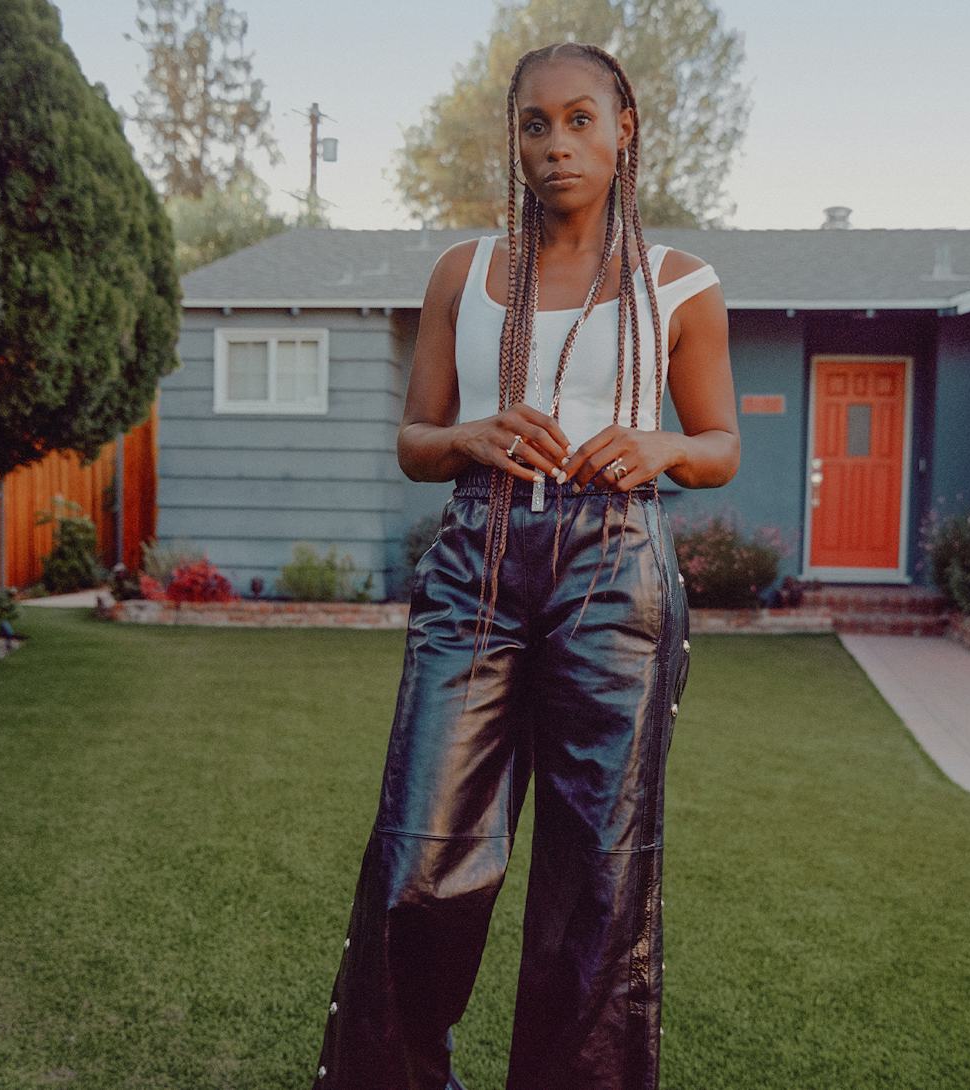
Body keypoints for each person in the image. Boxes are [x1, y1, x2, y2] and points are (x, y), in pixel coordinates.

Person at [313, 39, 738, 1090]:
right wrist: (469, 437)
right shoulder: (465, 271)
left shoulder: (678, 283)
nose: (556, 144)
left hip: (612, 567)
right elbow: (414, 441)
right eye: (534, 124)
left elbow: (720, 444)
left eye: (580, 119)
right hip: (478, 558)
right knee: (422, 859)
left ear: (622, 128)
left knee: (597, 881)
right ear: (511, 138)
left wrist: (662, 448)